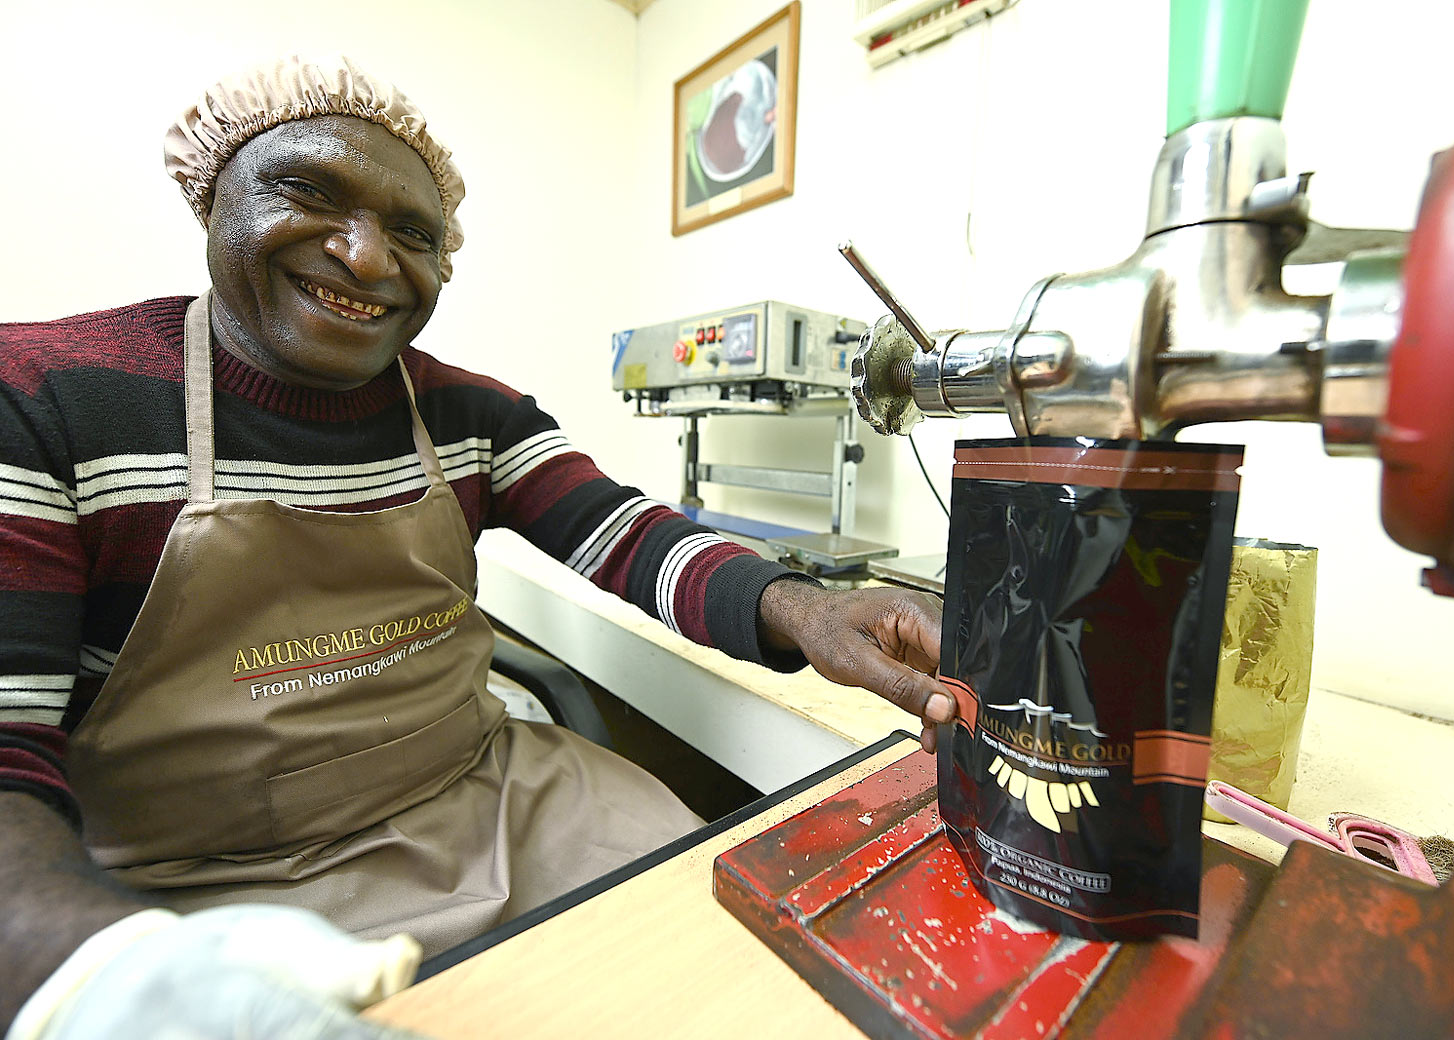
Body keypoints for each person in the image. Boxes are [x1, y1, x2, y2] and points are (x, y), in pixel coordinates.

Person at [0, 57, 953, 1036]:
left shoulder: (470, 413)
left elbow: (621, 533)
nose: (368, 257)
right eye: (306, 191)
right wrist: (96, 967)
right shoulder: (43, 400)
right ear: (211, 197)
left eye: (413, 232)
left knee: (723, 970)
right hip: (192, 878)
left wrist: (807, 608)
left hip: (487, 802)